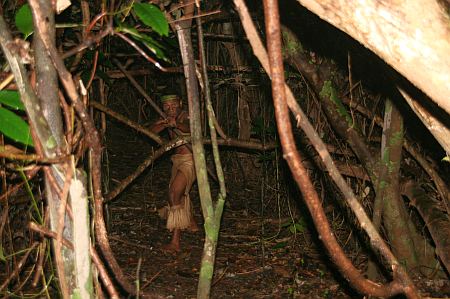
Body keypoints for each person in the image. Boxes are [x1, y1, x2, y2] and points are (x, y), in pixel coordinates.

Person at [150, 94, 198, 253]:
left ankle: (175, 242)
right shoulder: (167, 118)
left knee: (174, 194)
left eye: (174, 106)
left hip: (191, 160)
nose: (171, 110)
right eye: (167, 107)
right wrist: (163, 125)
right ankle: (191, 223)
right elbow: (151, 131)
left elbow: (190, 128)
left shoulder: (187, 115)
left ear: (181, 103)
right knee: (181, 193)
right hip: (176, 160)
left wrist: (176, 124)